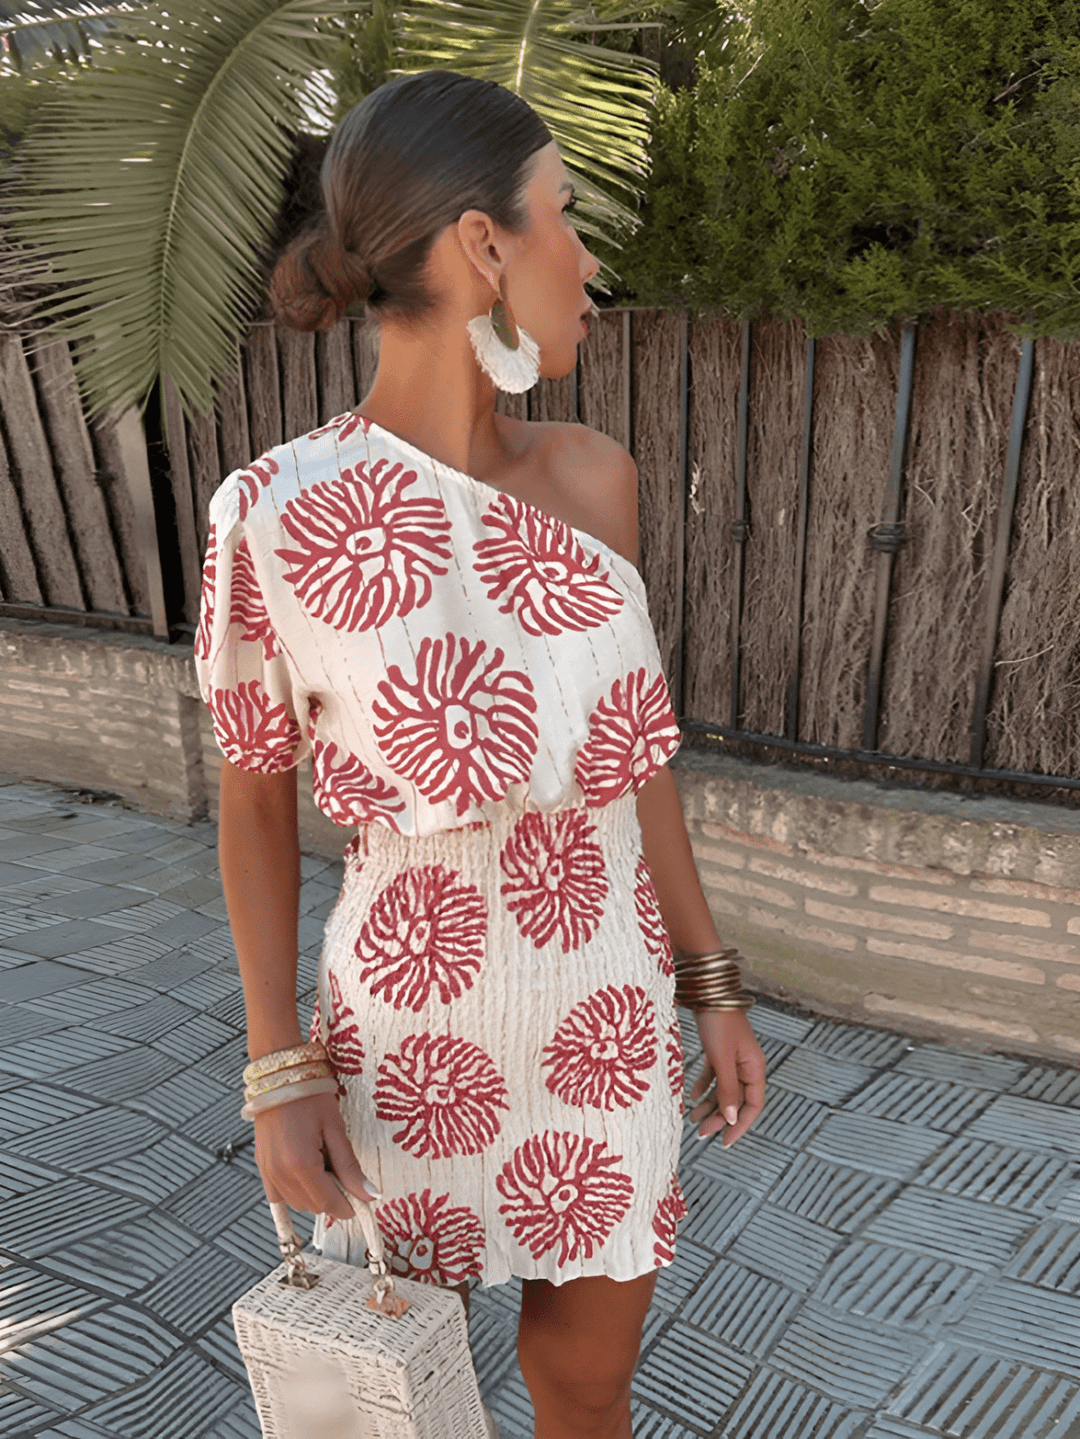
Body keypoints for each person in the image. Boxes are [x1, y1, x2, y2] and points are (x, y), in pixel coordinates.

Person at [196, 68, 766, 1439]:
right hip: (409, 1025)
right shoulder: (276, 512)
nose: (589, 260)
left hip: (605, 1007)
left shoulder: (594, 477)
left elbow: (635, 758)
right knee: (390, 1399)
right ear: (483, 244)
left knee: (586, 1384)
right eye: (564, 214)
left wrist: (711, 981)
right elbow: (254, 797)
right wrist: (279, 1066)